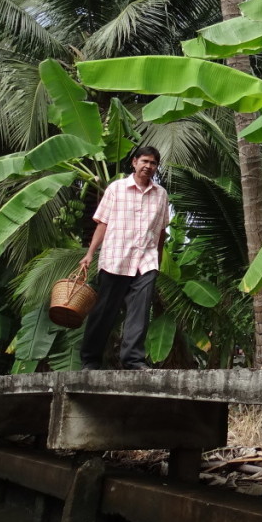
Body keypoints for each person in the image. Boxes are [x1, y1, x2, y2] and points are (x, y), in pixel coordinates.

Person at [79, 147, 170, 371]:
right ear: (134, 162)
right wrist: (89, 254)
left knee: (140, 312)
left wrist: (156, 262)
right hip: (116, 258)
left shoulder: (161, 194)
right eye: (145, 161)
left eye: (154, 163)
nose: (149, 166)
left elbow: (160, 231)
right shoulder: (116, 189)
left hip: (146, 261)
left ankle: (133, 359)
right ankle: (90, 359)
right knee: (104, 311)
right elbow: (103, 223)